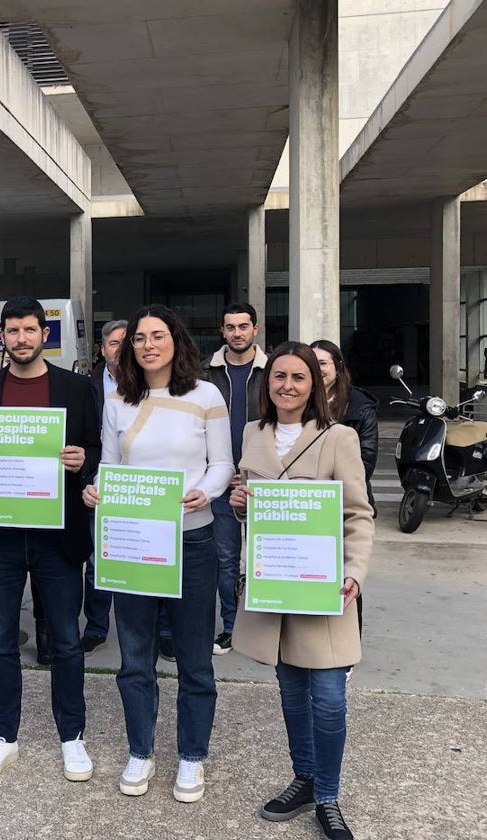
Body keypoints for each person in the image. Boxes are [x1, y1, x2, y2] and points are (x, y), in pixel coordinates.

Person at [83, 305, 233, 803]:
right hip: (133, 540)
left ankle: (192, 757)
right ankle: (140, 751)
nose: (148, 345)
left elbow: (222, 464)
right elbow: (109, 464)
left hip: (192, 538)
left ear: (176, 341)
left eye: (158, 336)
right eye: (140, 338)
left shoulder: (206, 395)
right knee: (135, 658)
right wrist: (94, 491)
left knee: (194, 660)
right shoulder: (118, 402)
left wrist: (207, 492)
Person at [230, 342, 374, 840]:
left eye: (298, 377)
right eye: (278, 377)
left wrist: (354, 571)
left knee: (330, 697)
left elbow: (358, 514)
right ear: (266, 384)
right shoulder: (253, 433)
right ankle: (305, 779)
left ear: (315, 385)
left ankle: (329, 796)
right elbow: (251, 508)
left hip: (322, 586)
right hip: (275, 584)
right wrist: (240, 503)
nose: (287, 385)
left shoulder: (339, 437)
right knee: (291, 691)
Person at [0, 295, 102, 782]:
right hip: (1, 534)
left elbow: (96, 449)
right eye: (12, 330)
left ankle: (72, 736)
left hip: (56, 535)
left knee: (65, 638)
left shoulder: (76, 388)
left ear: (46, 334)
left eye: (29, 329)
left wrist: (82, 461)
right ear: (2, 336)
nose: (21, 338)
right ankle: (3, 735)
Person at [202, 302, 268, 656]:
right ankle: (231, 627)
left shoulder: (272, 370)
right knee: (225, 560)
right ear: (222, 331)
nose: (237, 333)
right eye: (230, 327)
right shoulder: (205, 373)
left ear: (255, 329)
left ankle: (268, 631)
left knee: (266, 557)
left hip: (265, 482)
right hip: (223, 484)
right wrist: (221, 472)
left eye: (243, 326)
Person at [81, 319, 127, 654]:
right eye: (114, 343)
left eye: (128, 341)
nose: (121, 349)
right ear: (102, 349)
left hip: (146, 487)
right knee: (98, 559)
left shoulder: (159, 386)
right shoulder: (87, 387)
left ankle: (163, 630)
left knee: (153, 557)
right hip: (100, 483)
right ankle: (97, 626)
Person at [310, 339, 379, 516]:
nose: (317, 369)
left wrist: (329, 489)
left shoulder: (360, 406)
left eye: (323, 363)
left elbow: (366, 460)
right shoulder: (296, 401)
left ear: (338, 367)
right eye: (311, 363)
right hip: (305, 498)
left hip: (346, 499)